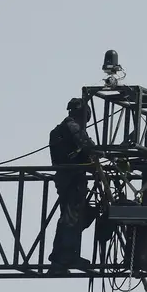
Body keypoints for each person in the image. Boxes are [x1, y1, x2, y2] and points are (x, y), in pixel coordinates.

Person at [48, 97, 100, 270]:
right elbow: (88, 147)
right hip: (72, 179)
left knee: (72, 217)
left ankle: (62, 257)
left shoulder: (58, 131)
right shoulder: (72, 127)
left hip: (66, 178)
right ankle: (64, 258)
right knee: (71, 218)